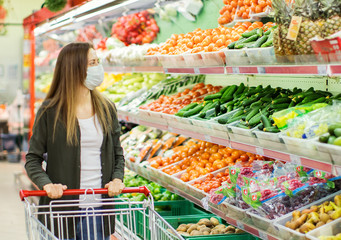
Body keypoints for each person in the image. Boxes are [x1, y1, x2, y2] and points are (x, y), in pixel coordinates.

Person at [25, 42, 125, 240]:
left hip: (98, 210)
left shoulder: (107, 107)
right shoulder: (50, 111)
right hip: (61, 210)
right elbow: (33, 159)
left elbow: (117, 153)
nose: (98, 68)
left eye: (98, 62)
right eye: (92, 63)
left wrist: (117, 178)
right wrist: (47, 185)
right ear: (74, 68)